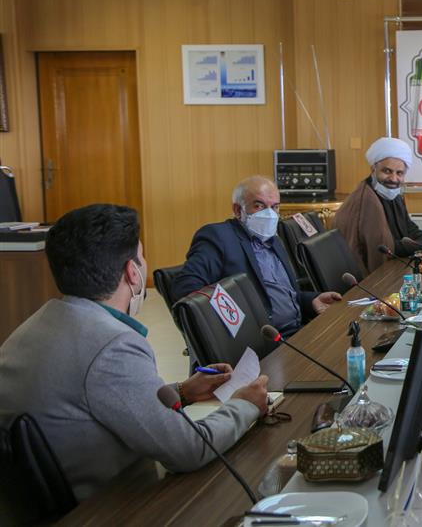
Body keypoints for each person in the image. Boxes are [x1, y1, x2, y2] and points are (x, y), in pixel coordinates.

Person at [0, 204, 269, 502]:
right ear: (132, 272)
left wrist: (181, 392)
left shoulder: (35, 324)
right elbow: (189, 450)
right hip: (108, 508)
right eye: (141, 257)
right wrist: (245, 405)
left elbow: (91, 399)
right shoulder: (112, 345)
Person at [173, 175, 342, 336]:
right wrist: (236, 325)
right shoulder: (218, 237)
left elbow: (284, 294)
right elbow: (187, 288)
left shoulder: (273, 240)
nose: (270, 214)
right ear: (237, 210)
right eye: (259, 206)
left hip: (298, 331)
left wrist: (311, 301)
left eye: (275, 207)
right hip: (264, 341)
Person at [335, 137, 422, 274]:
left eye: (399, 173)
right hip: (366, 277)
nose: (393, 179)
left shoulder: (392, 194)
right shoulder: (367, 201)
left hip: (394, 267)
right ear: (373, 169)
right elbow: (384, 249)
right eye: (387, 171)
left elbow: (409, 229)